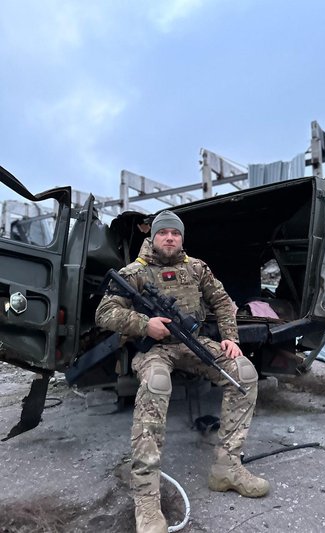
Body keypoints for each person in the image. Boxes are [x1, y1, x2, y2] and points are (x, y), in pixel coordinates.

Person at [95, 210, 270, 533]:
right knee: (157, 383)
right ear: (153, 237)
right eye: (163, 233)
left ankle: (227, 467)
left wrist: (230, 338)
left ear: (182, 238)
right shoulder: (134, 272)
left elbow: (222, 301)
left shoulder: (196, 268)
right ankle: (147, 498)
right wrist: (144, 324)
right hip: (153, 349)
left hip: (192, 343)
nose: (170, 238)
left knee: (243, 373)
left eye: (175, 233)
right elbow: (104, 313)